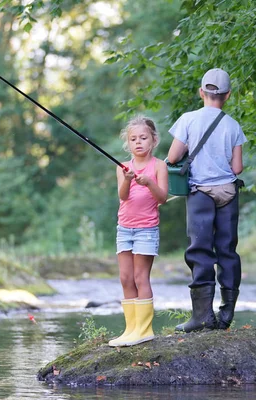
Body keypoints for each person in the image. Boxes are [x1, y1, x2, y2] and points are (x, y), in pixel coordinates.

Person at [167, 68, 246, 332]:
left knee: (200, 249)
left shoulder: (188, 119)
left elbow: (174, 156)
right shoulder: (233, 125)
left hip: (200, 191)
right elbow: (237, 168)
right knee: (227, 249)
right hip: (228, 192)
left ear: (201, 92)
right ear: (228, 96)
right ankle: (225, 316)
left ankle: (202, 316)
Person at [109, 116, 168, 347]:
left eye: (143, 138)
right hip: (124, 228)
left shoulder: (159, 166)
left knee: (140, 277)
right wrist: (128, 179)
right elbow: (122, 196)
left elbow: (162, 197)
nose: (138, 142)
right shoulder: (123, 167)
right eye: (133, 139)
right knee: (125, 278)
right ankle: (130, 329)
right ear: (128, 143)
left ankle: (144, 330)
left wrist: (148, 183)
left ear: (153, 140)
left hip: (146, 229)